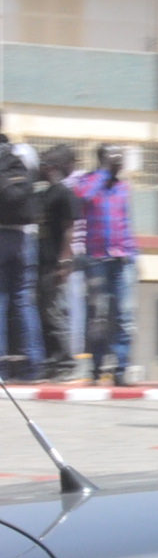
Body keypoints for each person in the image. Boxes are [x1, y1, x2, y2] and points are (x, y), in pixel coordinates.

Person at [72, 144, 136, 384]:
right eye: (115, 158)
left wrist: (133, 254)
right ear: (104, 160)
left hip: (121, 259)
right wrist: (103, 173)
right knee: (98, 315)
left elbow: (126, 223)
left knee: (123, 315)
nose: (120, 162)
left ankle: (121, 369)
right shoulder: (89, 183)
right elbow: (82, 198)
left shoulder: (122, 188)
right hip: (96, 259)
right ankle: (97, 367)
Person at [0, 136, 42, 382]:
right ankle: (33, 367)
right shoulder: (24, 154)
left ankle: (2, 370)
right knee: (25, 302)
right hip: (25, 236)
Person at [34, 147, 77, 380]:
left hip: (55, 262)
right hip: (41, 261)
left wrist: (65, 260)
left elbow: (70, 228)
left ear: (52, 167)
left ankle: (66, 363)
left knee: (54, 312)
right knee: (44, 311)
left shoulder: (63, 194)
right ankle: (52, 360)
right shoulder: (44, 194)